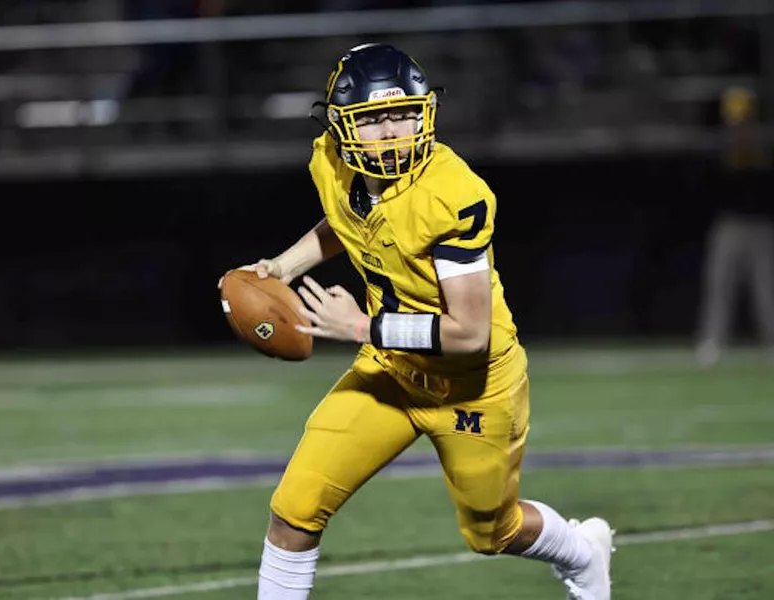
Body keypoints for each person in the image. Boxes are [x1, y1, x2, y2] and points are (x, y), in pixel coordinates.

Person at [222, 43, 614, 599]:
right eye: (375, 120)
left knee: (492, 531)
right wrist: (282, 265)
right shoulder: (332, 163)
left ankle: (582, 554)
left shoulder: (452, 196)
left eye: (404, 114)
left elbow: (468, 334)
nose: (394, 133)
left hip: (472, 387)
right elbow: (346, 220)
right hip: (391, 370)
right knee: (294, 509)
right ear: (341, 128)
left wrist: (360, 328)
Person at [696, 86, 774, 366]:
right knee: (720, 285)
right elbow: (709, 187)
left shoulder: (765, 143)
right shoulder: (721, 146)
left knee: (767, 286)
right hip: (729, 224)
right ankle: (714, 340)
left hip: (761, 225)